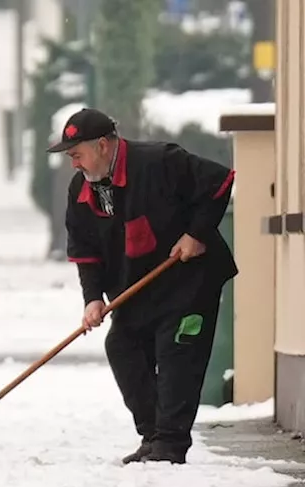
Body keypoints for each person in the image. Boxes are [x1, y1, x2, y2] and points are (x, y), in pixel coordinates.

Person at [48, 108, 237, 465]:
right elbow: (85, 251)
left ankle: (170, 442)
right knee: (122, 345)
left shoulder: (159, 161)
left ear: (102, 146)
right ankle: (153, 435)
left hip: (189, 281)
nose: (74, 164)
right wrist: (92, 299)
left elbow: (219, 182)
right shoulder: (81, 190)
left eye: (77, 154)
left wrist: (196, 234)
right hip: (138, 287)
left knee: (176, 353)